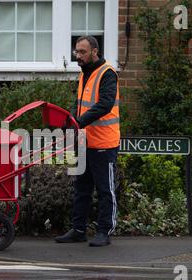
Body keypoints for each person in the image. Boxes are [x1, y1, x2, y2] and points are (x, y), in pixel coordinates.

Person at [55, 36, 120, 247]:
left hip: (103, 143)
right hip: (84, 142)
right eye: (76, 52)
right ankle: (79, 230)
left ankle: (104, 231)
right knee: (81, 189)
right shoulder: (84, 74)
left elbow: (105, 105)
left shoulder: (107, 73)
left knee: (104, 190)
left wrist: (78, 122)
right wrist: (72, 121)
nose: (78, 56)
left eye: (82, 52)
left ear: (94, 51)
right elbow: (80, 103)